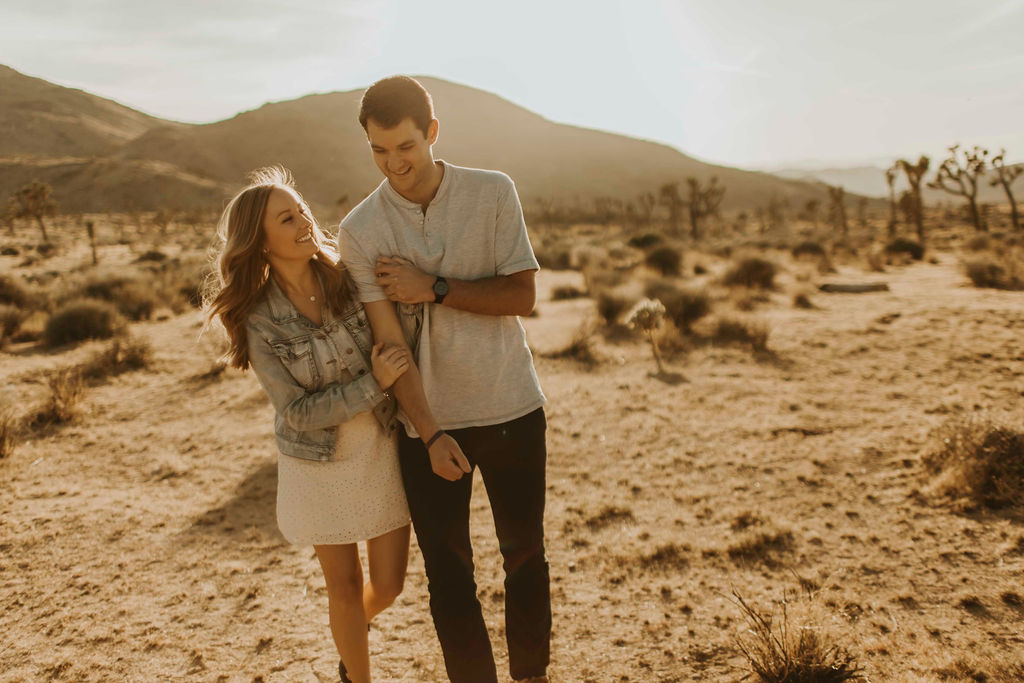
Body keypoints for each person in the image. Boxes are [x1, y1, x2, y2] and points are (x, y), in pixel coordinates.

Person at [338, 76, 551, 683]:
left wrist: (432, 288)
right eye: (378, 151)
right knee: (450, 572)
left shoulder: (492, 193)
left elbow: (522, 295)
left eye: (404, 147)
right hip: (428, 426)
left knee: (524, 557)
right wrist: (429, 433)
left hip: (511, 407)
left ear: (431, 134)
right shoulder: (361, 228)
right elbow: (390, 343)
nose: (393, 164)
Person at [205, 167, 414, 683]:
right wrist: (373, 385)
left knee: (388, 586)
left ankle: (349, 634)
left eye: (300, 210)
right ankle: (356, 673)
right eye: (286, 217)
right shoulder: (259, 318)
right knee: (342, 586)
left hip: (380, 447)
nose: (303, 222)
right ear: (260, 239)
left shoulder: (348, 277)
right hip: (317, 461)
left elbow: (402, 327)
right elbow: (295, 410)